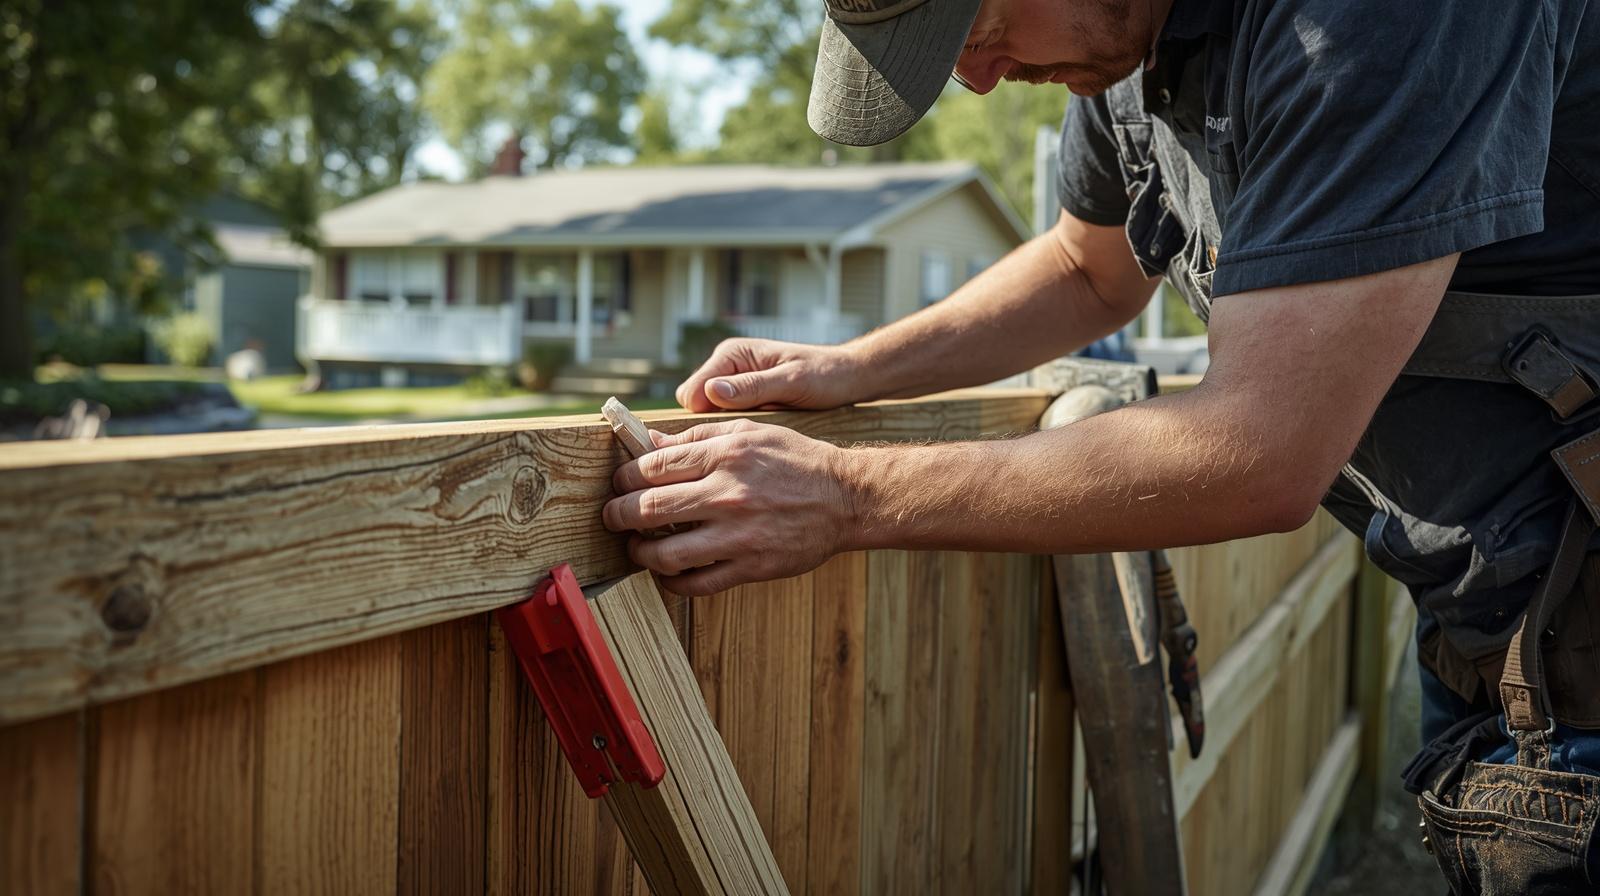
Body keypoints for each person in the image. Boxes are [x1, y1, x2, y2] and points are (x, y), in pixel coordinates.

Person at [603, 2, 1600, 890]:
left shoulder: (1376, 22)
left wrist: (848, 493)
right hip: (1502, 622)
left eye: (978, 27)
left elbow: (1259, 449)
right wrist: (849, 369)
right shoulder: (1134, 54)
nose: (980, 77)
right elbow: (1088, 270)